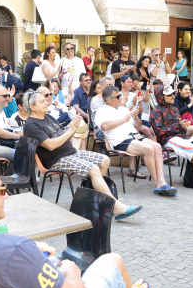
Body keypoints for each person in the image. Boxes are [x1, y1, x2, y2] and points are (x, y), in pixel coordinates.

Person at [0, 157, 150, 288]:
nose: (7, 196)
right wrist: (71, 270)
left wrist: (28, 249)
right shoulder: (16, 252)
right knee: (113, 261)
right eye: (1, 190)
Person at [23, 91, 142, 220]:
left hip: (71, 152)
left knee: (105, 160)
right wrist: (72, 130)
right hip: (56, 159)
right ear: (32, 107)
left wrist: (72, 125)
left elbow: (60, 133)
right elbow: (51, 145)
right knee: (93, 169)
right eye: (42, 101)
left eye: (45, 100)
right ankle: (116, 207)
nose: (46, 102)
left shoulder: (48, 117)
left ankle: (93, 199)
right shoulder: (31, 124)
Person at [96, 86, 177, 196]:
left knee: (157, 146)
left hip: (134, 136)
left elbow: (138, 125)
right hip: (120, 141)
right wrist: (125, 118)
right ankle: (157, 184)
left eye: (120, 95)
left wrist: (135, 116)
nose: (121, 98)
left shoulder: (123, 109)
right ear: (108, 100)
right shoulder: (102, 111)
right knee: (148, 149)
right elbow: (105, 126)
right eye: (118, 96)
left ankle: (162, 181)